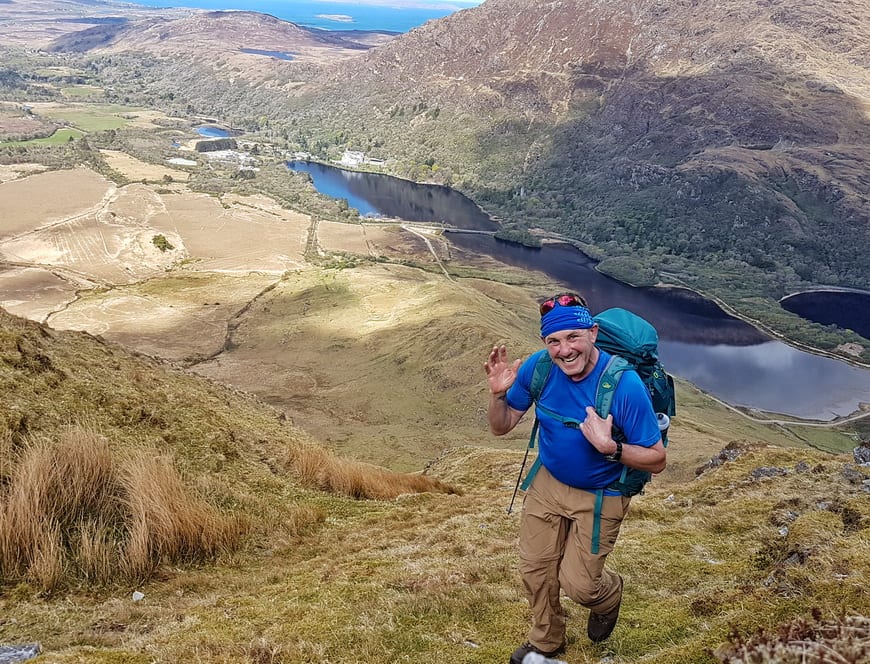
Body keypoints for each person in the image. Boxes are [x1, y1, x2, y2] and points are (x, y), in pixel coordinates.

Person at [484, 292, 667, 664]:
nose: (565, 350)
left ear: (593, 333)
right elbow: (501, 427)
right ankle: (546, 642)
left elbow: (657, 459)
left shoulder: (624, 385)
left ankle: (608, 596)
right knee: (535, 570)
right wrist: (499, 395)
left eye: (573, 337)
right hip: (548, 485)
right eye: (554, 341)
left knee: (580, 587)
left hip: (602, 494)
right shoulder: (540, 369)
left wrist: (610, 448)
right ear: (544, 344)